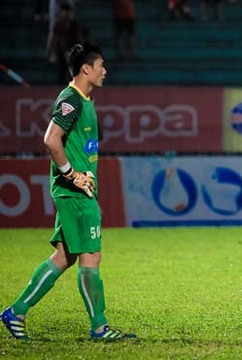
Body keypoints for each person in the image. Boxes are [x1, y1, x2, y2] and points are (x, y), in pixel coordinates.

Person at [1, 43, 136, 341]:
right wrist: (72, 175)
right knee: (91, 255)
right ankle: (100, 327)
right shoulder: (70, 100)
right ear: (86, 68)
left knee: (63, 257)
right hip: (76, 192)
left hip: (78, 191)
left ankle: (16, 312)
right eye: (101, 64)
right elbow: (51, 139)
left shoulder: (85, 99)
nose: (105, 70)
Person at [46, 1, 83, 85]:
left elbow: (79, 38)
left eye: (67, 11)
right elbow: (54, 39)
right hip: (61, 52)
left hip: (72, 52)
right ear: (60, 12)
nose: (66, 13)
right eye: (64, 11)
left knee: (72, 75)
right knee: (61, 74)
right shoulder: (58, 25)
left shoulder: (74, 24)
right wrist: (51, 52)